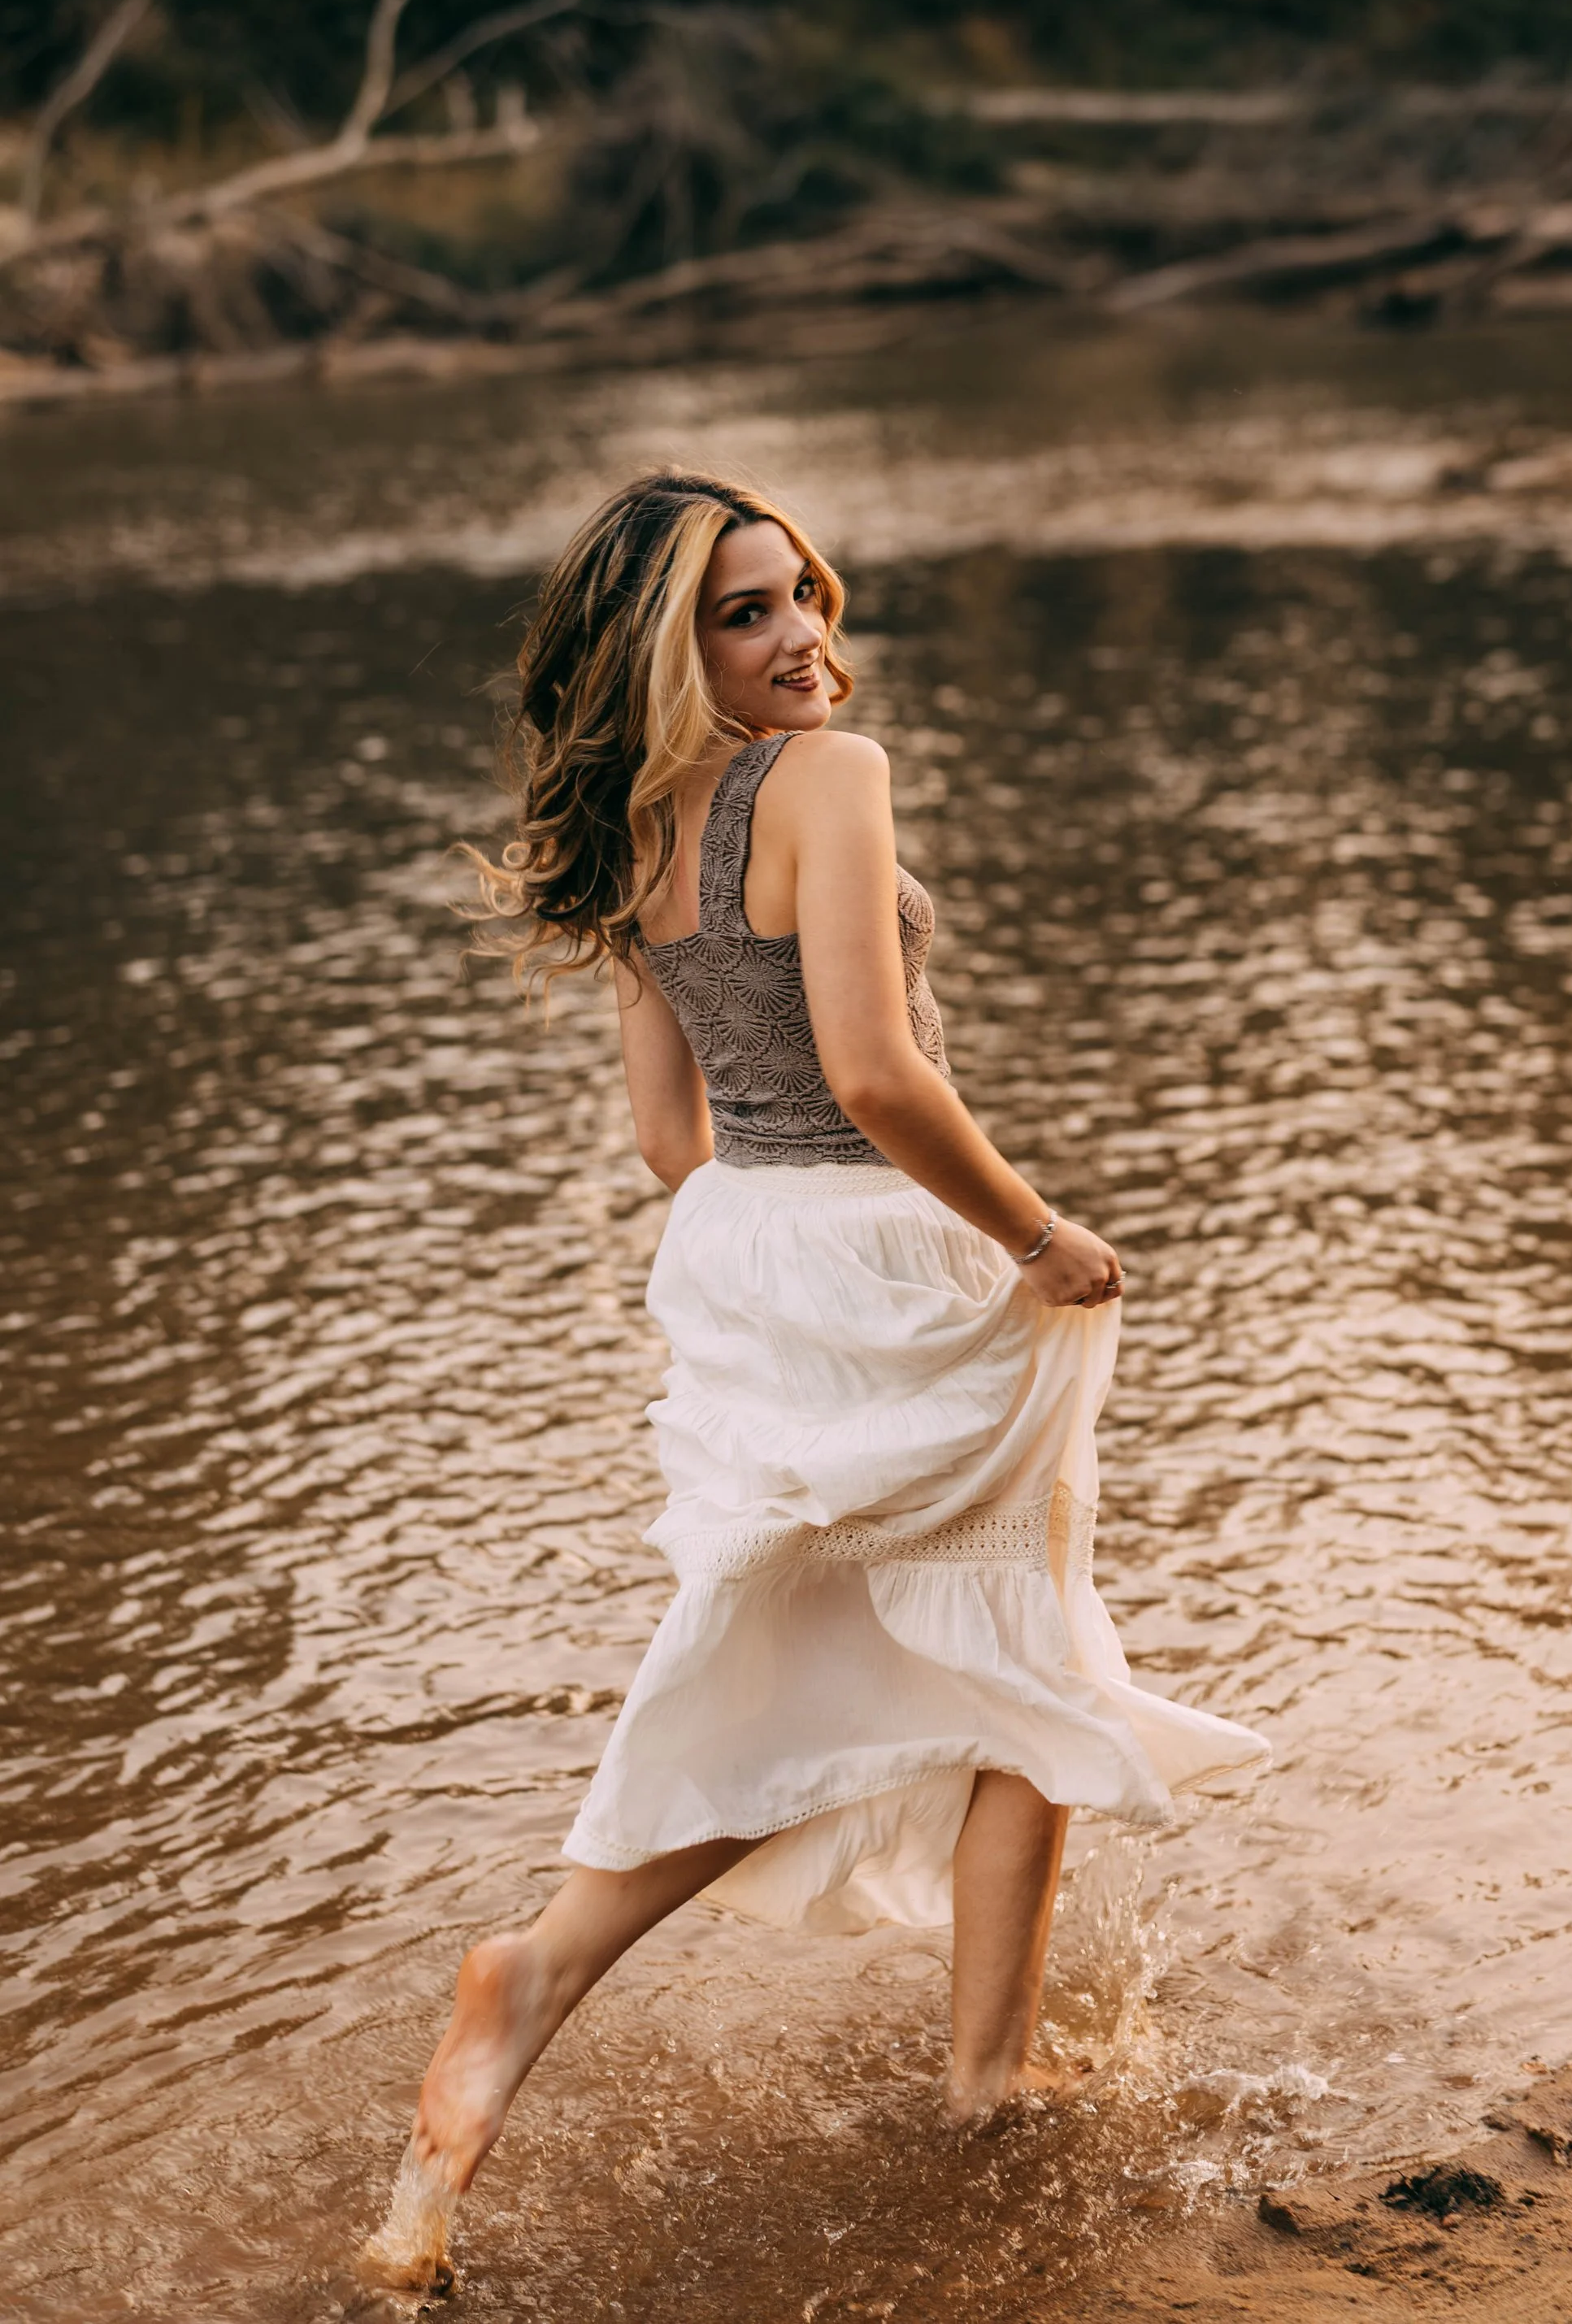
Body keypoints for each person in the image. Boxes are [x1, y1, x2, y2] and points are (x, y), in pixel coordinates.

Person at [364, 467, 1266, 2289]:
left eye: (801, 594)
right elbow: (872, 1068)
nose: (801, 639)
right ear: (667, 650)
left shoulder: (628, 820)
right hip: (880, 1237)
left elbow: (665, 1140)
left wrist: (784, 1238)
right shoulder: (827, 779)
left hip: (747, 1247)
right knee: (1018, 1636)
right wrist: (1034, 1236)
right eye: (743, 613)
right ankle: (974, 2080)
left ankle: (556, 1975)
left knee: (874, 1651)